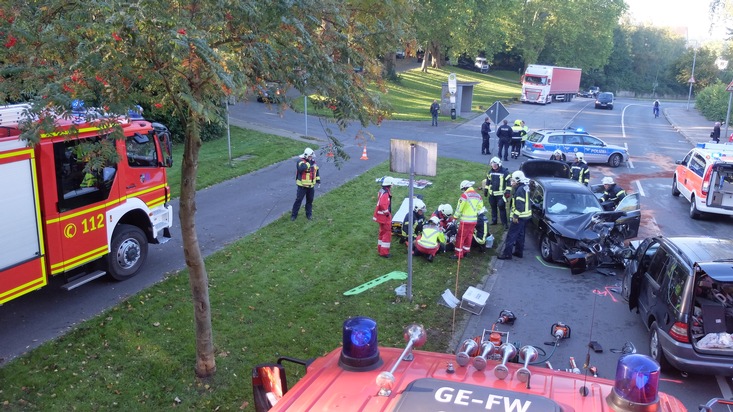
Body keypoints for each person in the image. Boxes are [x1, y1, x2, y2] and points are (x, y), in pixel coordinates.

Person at [498, 171, 532, 260]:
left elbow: (520, 206)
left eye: (513, 181)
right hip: (526, 216)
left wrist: (515, 216)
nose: (511, 182)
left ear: (518, 181)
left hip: (519, 217)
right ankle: (518, 252)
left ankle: (507, 254)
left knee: (511, 235)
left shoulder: (520, 190)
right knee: (520, 234)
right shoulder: (525, 187)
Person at [452, 180, 484, 259]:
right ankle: (466, 252)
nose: (463, 191)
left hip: (465, 221)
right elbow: (480, 209)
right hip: (473, 221)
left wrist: (455, 218)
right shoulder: (478, 196)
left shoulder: (464, 196)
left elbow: (459, 209)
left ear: (465, 188)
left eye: (463, 189)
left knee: (460, 237)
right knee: (469, 236)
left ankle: (458, 254)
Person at [291, 147, 320, 221]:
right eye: (310, 156)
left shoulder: (313, 162)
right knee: (298, 200)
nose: (311, 158)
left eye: (312, 156)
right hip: (302, 186)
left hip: (311, 186)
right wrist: (308, 163)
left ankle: (309, 215)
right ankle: (294, 215)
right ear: (306, 156)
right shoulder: (300, 161)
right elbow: (301, 169)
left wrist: (318, 179)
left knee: (309, 201)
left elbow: (316, 171)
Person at [482, 157, 511, 229]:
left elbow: (509, 183)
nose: (494, 166)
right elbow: (488, 182)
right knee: (493, 207)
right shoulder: (490, 172)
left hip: (501, 195)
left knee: (502, 208)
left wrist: (507, 191)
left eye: (495, 165)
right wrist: (486, 190)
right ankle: (494, 220)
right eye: (492, 165)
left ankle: (505, 224)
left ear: (499, 164)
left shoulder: (505, 172)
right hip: (492, 194)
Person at [373, 176, 395, 258]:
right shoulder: (386, 193)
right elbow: (383, 204)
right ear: (390, 184)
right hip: (385, 217)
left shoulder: (382, 190)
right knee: (387, 233)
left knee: (382, 232)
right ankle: (384, 252)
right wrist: (387, 214)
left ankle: (380, 249)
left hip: (380, 216)